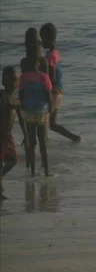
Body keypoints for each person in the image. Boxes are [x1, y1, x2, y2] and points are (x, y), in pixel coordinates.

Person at [18, 28, 53, 177]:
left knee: (31, 143)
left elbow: (22, 88)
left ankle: (32, 172)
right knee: (43, 142)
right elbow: (47, 87)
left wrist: (22, 104)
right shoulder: (43, 62)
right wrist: (49, 105)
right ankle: (47, 172)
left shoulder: (24, 62)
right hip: (41, 110)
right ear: (38, 42)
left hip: (28, 109)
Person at [40, 22, 81, 143]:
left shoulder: (50, 56)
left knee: (47, 121)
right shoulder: (55, 52)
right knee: (50, 123)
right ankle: (74, 138)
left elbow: (51, 76)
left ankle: (74, 138)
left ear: (49, 38)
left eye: (43, 39)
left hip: (53, 92)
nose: (42, 42)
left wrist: (46, 88)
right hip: (58, 91)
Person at [0, 66, 29, 199]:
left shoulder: (15, 99)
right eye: (8, 79)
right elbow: (5, 105)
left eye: (14, 79)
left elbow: (21, 119)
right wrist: (12, 106)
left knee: (13, 161)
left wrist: (26, 135)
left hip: (8, 136)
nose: (12, 82)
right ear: (3, 81)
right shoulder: (2, 95)